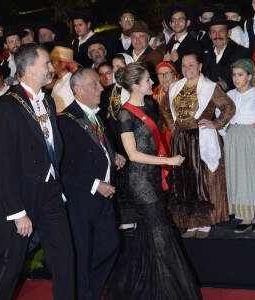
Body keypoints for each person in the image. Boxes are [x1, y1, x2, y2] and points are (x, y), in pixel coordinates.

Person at [103, 62, 202, 300]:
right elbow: (133, 154)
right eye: (148, 80)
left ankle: (140, 285)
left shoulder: (150, 104)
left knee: (148, 232)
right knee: (159, 231)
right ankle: (167, 291)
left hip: (154, 178)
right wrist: (168, 160)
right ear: (136, 85)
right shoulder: (125, 113)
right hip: (140, 181)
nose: (152, 83)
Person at [0, 43, 75, 300]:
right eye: (47, 63)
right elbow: (3, 164)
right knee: (9, 264)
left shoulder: (47, 100)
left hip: (51, 195)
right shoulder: (6, 106)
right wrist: (17, 212)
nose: (52, 67)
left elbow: (52, 145)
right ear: (29, 68)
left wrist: (58, 186)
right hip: (21, 199)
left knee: (65, 261)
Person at [58, 68, 124, 299]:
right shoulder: (65, 121)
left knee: (109, 246)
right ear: (78, 89)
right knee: (83, 254)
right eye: (95, 84)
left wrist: (113, 155)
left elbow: (97, 148)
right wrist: (95, 184)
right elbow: (63, 166)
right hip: (81, 198)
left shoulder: (94, 114)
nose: (101, 88)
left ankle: (90, 293)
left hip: (102, 198)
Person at [160, 52, 235, 238]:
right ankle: (191, 223)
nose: (187, 69)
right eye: (184, 66)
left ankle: (206, 222)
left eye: (191, 65)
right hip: (181, 140)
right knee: (185, 182)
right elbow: (163, 109)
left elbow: (229, 107)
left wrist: (215, 124)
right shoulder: (175, 87)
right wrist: (173, 127)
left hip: (202, 139)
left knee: (205, 179)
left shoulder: (210, 87)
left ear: (200, 67)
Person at [224, 59, 255, 233]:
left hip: (252, 135)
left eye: (240, 75)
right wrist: (226, 130)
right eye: (234, 75)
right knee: (239, 176)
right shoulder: (230, 95)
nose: (236, 78)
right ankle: (245, 217)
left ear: (249, 76)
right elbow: (222, 115)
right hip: (234, 137)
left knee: (254, 175)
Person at [100, 53, 134, 228]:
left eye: (120, 67)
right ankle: (125, 218)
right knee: (118, 179)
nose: (117, 71)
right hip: (114, 141)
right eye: (114, 68)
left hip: (133, 140)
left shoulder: (136, 90)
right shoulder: (107, 91)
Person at [203, 12, 250, 92]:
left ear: (228, 33)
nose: (217, 35)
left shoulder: (241, 53)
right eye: (213, 32)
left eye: (221, 31)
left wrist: (227, 83)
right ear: (210, 35)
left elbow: (247, 80)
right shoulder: (206, 55)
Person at [164, 3, 204, 76]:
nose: (176, 23)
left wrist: (176, 61)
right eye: (173, 20)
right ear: (170, 24)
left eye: (180, 19)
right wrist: (165, 63)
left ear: (188, 23)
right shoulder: (169, 46)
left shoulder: (195, 45)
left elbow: (196, 74)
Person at [153, 61, 179, 156]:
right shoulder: (155, 91)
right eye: (160, 74)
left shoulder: (182, 89)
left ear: (174, 74)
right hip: (161, 130)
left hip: (178, 130)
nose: (164, 77)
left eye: (167, 73)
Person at [50, 45, 78, 113]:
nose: (50, 65)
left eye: (53, 62)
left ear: (63, 64)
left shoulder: (71, 80)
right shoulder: (57, 81)